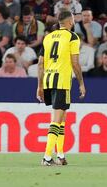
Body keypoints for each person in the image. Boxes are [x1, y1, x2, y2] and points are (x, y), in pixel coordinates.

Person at [37, 10, 86, 166]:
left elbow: (40, 64)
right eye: (73, 20)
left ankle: (60, 155)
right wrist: (81, 83)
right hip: (62, 81)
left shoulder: (48, 37)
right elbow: (75, 63)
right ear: (70, 21)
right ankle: (46, 157)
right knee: (57, 120)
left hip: (48, 80)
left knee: (62, 118)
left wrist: (39, 86)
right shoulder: (72, 37)